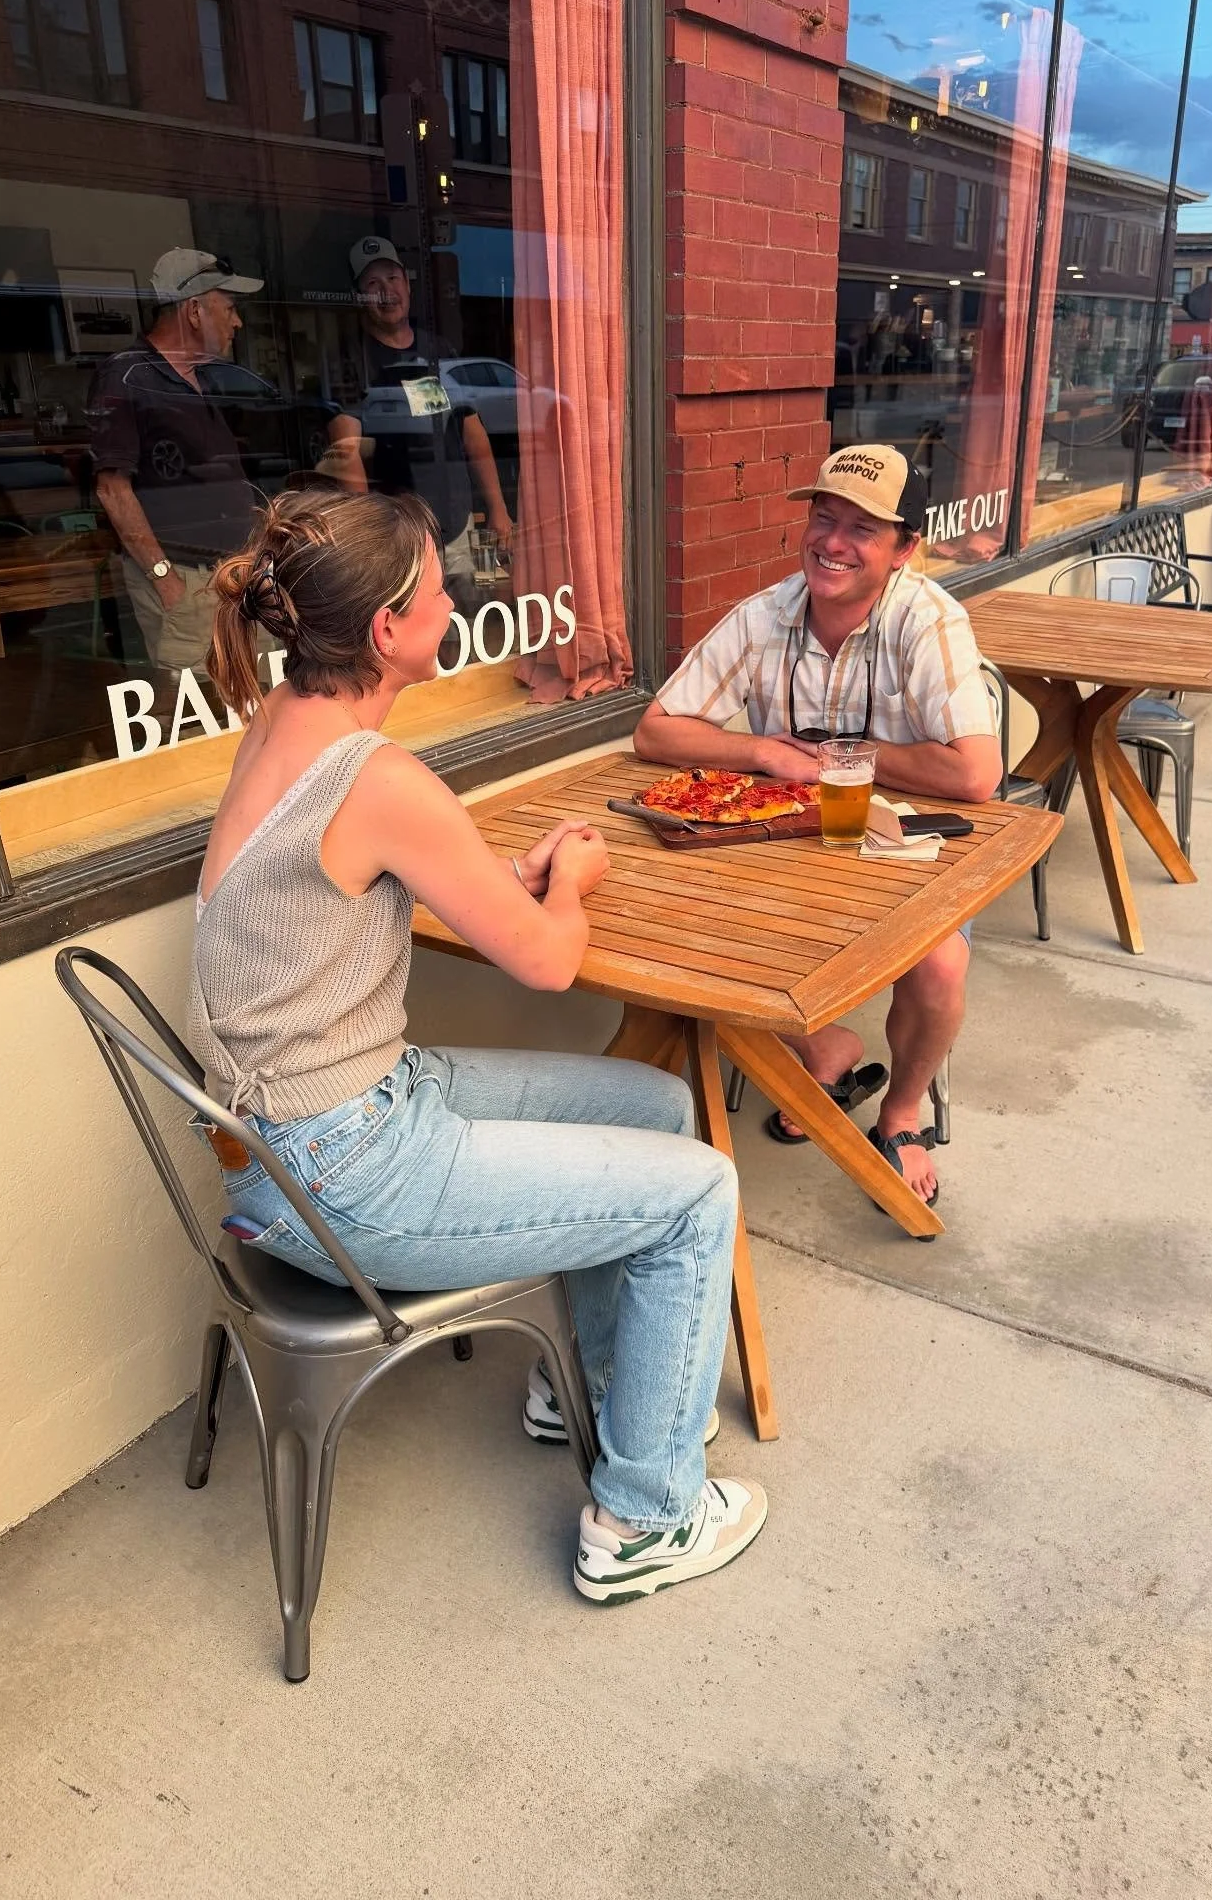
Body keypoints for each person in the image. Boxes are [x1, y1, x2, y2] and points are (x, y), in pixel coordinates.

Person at [185, 486, 767, 1603]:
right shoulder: (378, 777)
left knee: (656, 1109)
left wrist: (508, 882)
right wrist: (576, 884)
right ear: (386, 634)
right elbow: (549, 961)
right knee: (697, 1193)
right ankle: (644, 1521)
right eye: (439, 587)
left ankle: (585, 1391)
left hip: (289, 1139)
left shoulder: (282, 726)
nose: (460, 597)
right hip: (339, 1170)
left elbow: (339, 890)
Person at [634, 444, 1002, 1209]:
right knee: (674, 922)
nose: (832, 543)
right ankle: (822, 1045)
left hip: (907, 846)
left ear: (905, 549)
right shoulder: (762, 614)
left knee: (937, 966)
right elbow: (656, 733)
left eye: (862, 529)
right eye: (823, 518)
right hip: (786, 844)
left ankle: (899, 1114)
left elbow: (975, 775)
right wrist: (761, 749)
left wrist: (849, 755)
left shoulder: (928, 619)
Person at [88, 247, 264, 671]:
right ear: (195, 311)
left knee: (259, 705)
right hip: (188, 580)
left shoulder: (200, 377)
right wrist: (166, 579)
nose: (236, 321)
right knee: (201, 718)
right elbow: (112, 488)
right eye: (229, 307)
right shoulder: (126, 376)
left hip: (235, 578)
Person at [326, 236, 513, 615]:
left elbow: (471, 434)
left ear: (407, 285)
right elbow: (347, 455)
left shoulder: (438, 351)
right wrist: (370, 536)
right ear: (359, 295)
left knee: (475, 617)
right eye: (372, 285)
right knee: (414, 631)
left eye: (392, 279)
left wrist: (498, 508)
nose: (386, 292)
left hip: (459, 526)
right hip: (401, 534)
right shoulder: (351, 360)